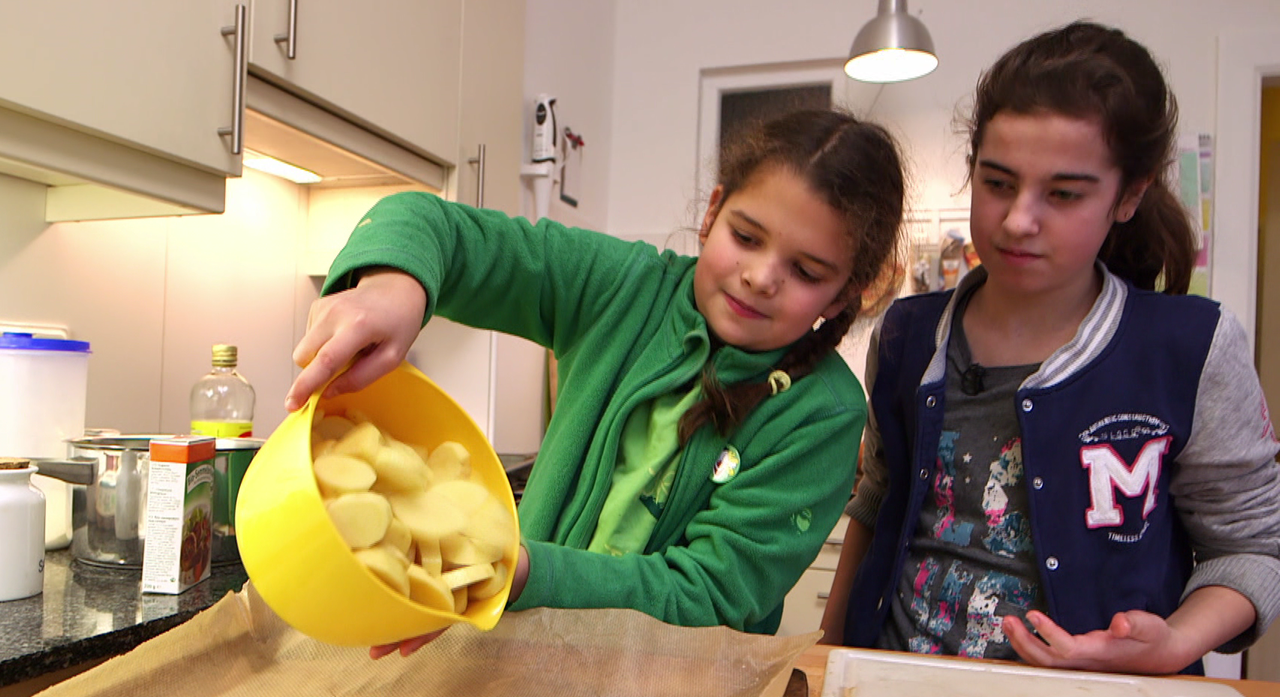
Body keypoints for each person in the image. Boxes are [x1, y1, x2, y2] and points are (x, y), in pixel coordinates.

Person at [285, 108, 906, 657]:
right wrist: (396, 284)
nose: (760, 277)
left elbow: (712, 595)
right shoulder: (619, 286)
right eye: (745, 237)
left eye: (805, 271)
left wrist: (523, 574)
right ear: (712, 213)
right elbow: (429, 224)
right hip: (510, 658)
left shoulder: (821, 414)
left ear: (846, 292)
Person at [820, 21, 1280, 676]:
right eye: (998, 182)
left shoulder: (1190, 347)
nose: (1017, 221)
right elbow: (877, 497)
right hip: (900, 693)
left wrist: (1176, 642)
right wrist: (831, 653)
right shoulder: (908, 333)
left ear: (1130, 196)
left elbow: (1255, 549)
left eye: (1063, 194)